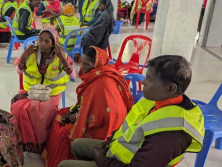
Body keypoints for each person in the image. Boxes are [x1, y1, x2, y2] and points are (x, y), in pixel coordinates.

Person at [58, 55, 205, 167]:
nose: (143, 82)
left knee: (64, 165)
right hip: (117, 151)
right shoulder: (154, 101)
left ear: (170, 88)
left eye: (149, 78)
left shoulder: (171, 135)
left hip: (125, 162)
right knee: (77, 145)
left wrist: (101, 159)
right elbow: (127, 128)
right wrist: (109, 142)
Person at [43, 47, 133, 167]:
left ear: (96, 64)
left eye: (86, 64)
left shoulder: (102, 83)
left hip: (105, 126)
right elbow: (90, 104)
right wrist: (75, 112)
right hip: (96, 116)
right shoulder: (99, 74)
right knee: (60, 113)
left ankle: (57, 162)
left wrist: (76, 116)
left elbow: (102, 114)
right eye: (81, 62)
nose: (82, 67)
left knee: (62, 133)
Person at [11, 28, 76, 154]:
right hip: (31, 91)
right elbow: (18, 71)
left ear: (54, 43)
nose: (42, 44)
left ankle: (42, 144)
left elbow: (73, 76)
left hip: (52, 93)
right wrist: (24, 56)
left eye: (47, 41)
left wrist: (62, 59)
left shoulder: (61, 55)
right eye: (40, 40)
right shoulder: (31, 53)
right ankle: (25, 142)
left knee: (43, 111)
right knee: (17, 107)